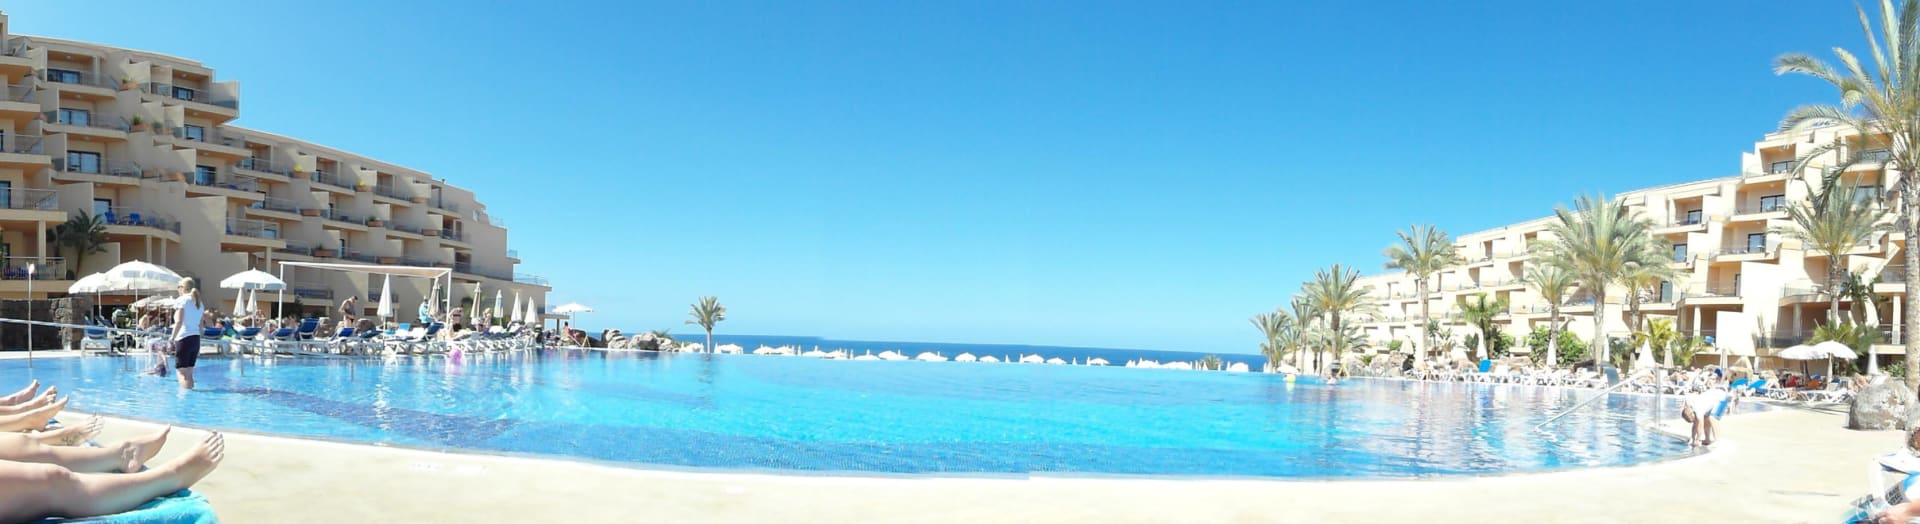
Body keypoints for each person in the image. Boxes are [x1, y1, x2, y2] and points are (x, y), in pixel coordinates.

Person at [170, 278, 206, 390]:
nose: (178, 290)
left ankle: (185, 397)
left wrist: (172, 338)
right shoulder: (199, 303)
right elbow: (201, 325)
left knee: (182, 372)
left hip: (184, 338)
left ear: (183, 288)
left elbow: (179, 322)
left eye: (178, 287)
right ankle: (191, 395)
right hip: (195, 339)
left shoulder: (182, 300)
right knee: (189, 373)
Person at [1681, 377, 1729, 447]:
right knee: (1706, 418)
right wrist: (1692, 438)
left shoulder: (1698, 409)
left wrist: (1698, 439)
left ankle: (1717, 441)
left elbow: (1700, 426)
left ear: (1692, 415)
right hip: (1713, 398)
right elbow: (1695, 425)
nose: (1694, 421)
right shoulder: (1691, 408)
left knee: (1712, 418)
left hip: (1722, 397)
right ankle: (1707, 439)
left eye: (1693, 419)